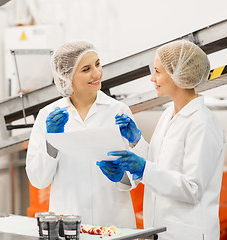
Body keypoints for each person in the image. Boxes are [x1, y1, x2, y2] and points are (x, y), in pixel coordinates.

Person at [99, 40, 226, 239]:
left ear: (178, 75)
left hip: (187, 233)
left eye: (158, 71)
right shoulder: (168, 114)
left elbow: (192, 188)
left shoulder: (202, 123)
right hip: (160, 230)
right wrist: (136, 143)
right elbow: (159, 165)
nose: (152, 78)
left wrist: (143, 168)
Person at [25, 40, 147, 228]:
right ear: (66, 76)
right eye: (86, 69)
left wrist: (122, 174)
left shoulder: (118, 110)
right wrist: (52, 142)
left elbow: (141, 172)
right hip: (69, 221)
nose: (97, 73)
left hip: (113, 220)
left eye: (98, 64)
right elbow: (38, 180)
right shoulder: (48, 116)